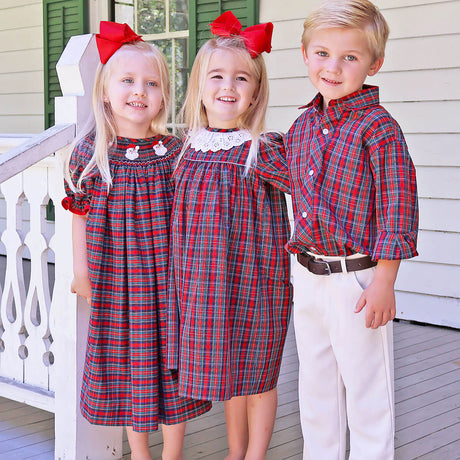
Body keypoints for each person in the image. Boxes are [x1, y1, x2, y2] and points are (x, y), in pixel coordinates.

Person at [62, 21, 211, 460]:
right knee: (135, 366)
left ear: (164, 95)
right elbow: (78, 216)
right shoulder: (90, 156)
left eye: (151, 83)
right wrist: (81, 272)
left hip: (172, 282)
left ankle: (173, 453)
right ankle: (141, 453)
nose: (139, 91)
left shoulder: (177, 151)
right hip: (120, 286)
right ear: (106, 91)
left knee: (174, 365)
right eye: (127, 80)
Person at [282, 1, 419, 459]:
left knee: (366, 393)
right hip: (307, 275)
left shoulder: (378, 128)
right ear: (304, 55)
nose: (333, 68)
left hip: (357, 280)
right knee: (316, 390)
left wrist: (385, 280)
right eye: (321, 54)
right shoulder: (301, 126)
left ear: (374, 63)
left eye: (349, 57)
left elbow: (398, 208)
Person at [166, 11, 292, 460]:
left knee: (258, 376)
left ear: (255, 91)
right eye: (217, 76)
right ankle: (234, 453)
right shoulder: (181, 153)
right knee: (230, 378)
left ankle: (253, 456)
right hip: (201, 288)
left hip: (256, 286)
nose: (228, 87)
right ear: (199, 85)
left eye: (242, 78)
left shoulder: (265, 149)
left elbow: (315, 185)